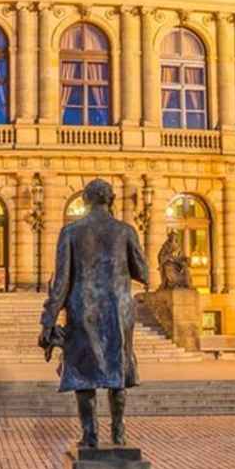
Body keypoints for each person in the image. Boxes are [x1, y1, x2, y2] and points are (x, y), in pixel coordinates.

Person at [38, 178, 149, 447]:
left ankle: (90, 435)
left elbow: (61, 282)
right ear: (110, 200)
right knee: (118, 371)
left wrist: (48, 320)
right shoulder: (125, 231)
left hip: (83, 310)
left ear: (85, 200)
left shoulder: (71, 232)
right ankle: (119, 433)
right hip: (118, 310)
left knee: (83, 374)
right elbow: (143, 273)